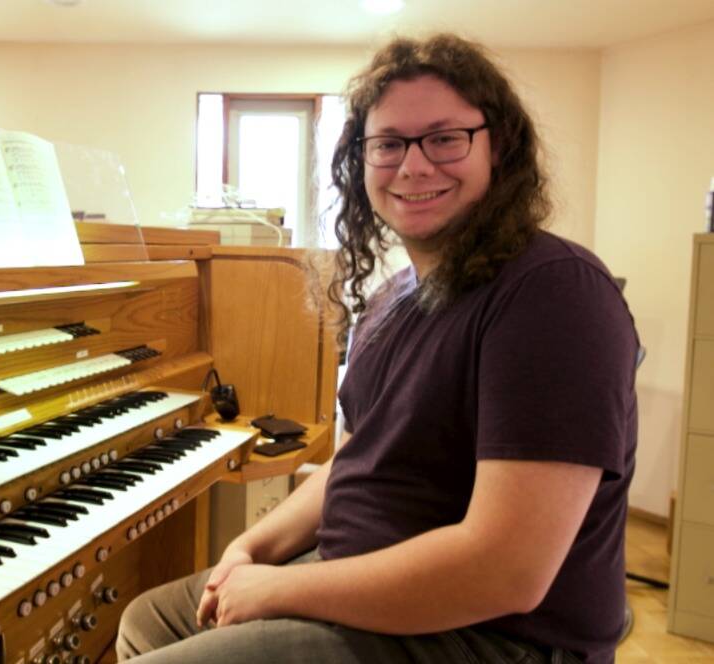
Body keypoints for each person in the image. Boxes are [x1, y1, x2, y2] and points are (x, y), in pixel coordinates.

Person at [117, 33, 637, 664]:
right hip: (359, 576)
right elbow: (353, 464)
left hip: (495, 636)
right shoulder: (394, 297)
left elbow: (506, 570)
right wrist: (250, 551)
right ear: (360, 163)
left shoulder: (553, 293)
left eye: (445, 138)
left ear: (497, 147)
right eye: (388, 144)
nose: (414, 166)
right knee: (151, 619)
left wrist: (285, 588)